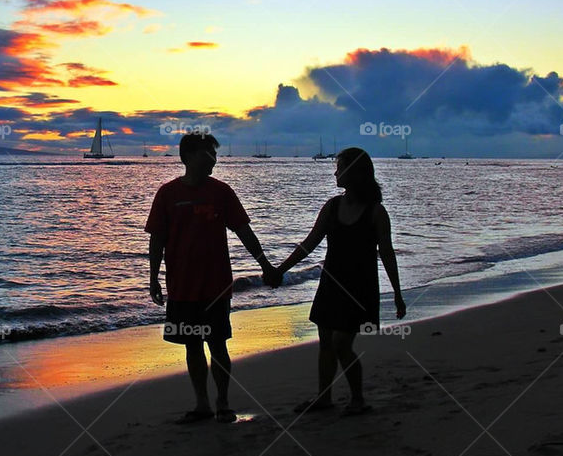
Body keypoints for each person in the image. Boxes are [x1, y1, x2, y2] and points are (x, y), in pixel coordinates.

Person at [265, 147, 406, 416]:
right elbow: (309, 244)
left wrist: (397, 293)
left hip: (360, 287)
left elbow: (386, 253)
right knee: (326, 341)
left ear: (355, 172)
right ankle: (324, 398)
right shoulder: (332, 207)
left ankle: (358, 399)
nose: (335, 172)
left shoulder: (376, 212)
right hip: (332, 282)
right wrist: (280, 270)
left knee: (342, 343)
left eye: (340, 167)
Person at [146, 133, 276, 424]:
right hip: (181, 286)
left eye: (215, 155)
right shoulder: (167, 194)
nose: (214, 160)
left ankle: (223, 402)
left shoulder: (222, 192)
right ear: (189, 157)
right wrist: (153, 278)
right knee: (192, 345)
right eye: (208, 154)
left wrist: (265, 265)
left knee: (217, 344)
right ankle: (201, 403)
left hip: (216, 285)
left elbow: (244, 232)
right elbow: (157, 240)